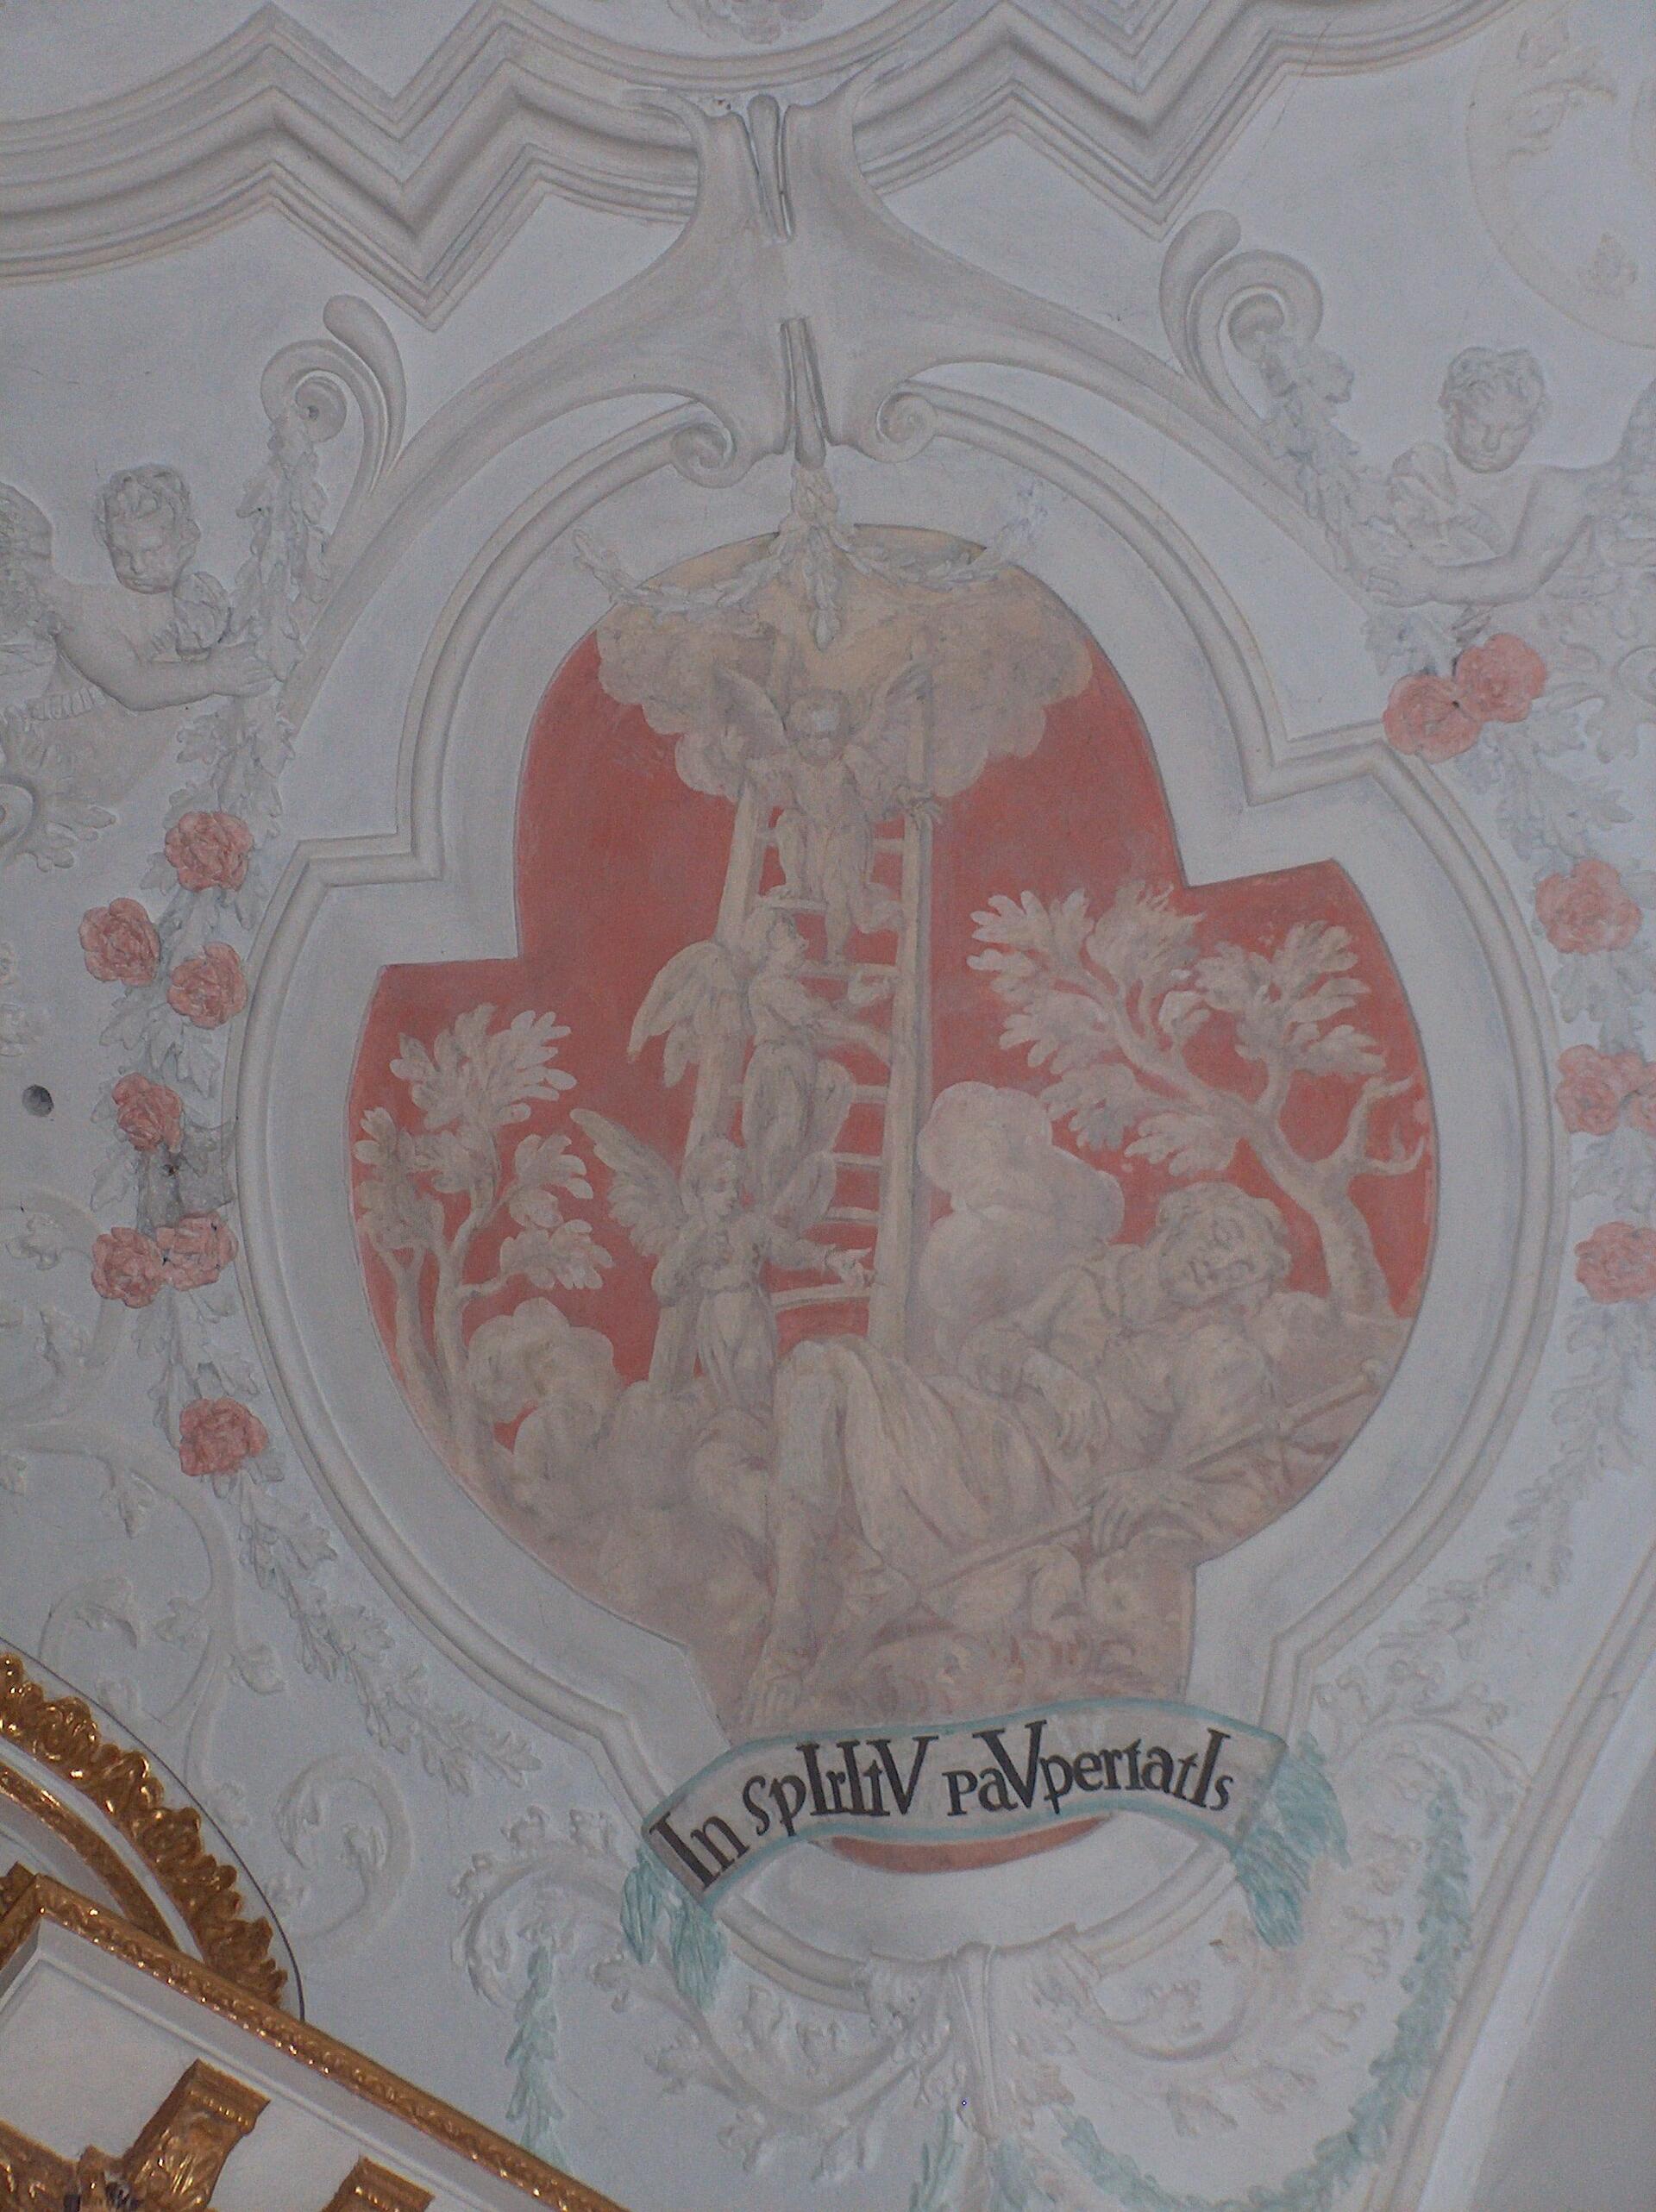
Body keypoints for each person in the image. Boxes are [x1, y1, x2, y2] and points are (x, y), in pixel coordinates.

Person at [746, 1181, 1389, 1727]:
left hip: (1025, 1498)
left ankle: (827, 1606)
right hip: (973, 1428)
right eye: (1221, 1238)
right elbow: (984, 1349)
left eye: (1241, 1269)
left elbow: (1247, 1496)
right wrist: (1044, 1372)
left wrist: (1160, 1488)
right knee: (815, 1370)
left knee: (827, 1375)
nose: (1219, 1267)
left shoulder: (1217, 1356)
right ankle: (789, 1628)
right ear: (1182, 1216)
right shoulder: (1092, 1278)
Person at [0, 480, 267, 809]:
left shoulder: (195, 604)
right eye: (123, 553)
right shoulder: (84, 612)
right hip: (63, 768)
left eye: (151, 551)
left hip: (122, 783)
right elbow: (134, 686)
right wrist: (211, 676)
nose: (137, 566)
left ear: (187, 541)